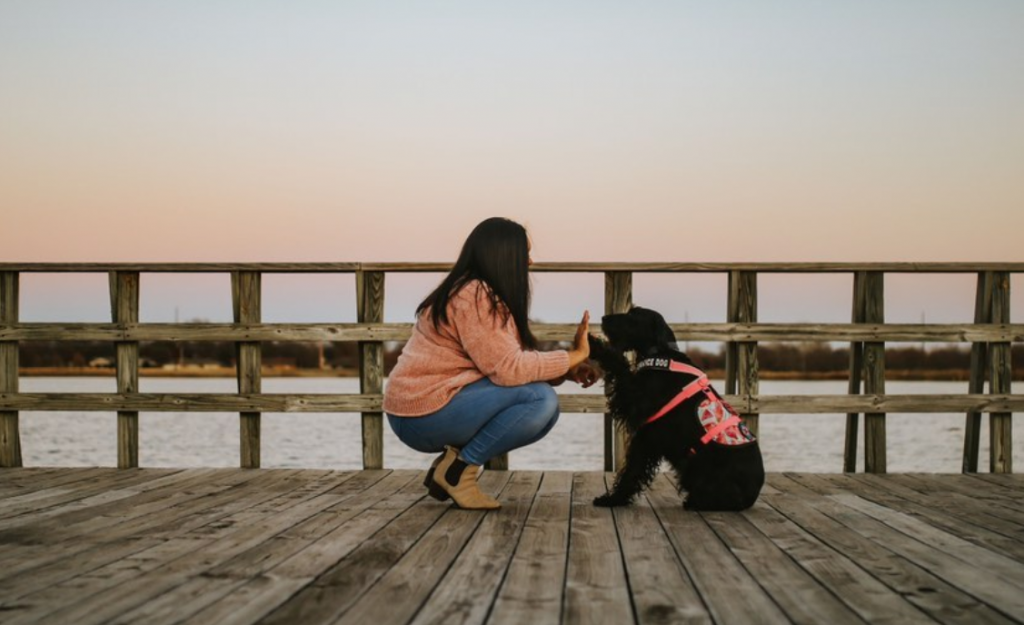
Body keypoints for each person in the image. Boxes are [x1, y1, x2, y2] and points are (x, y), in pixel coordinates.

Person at [383, 217, 597, 510]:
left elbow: (507, 365)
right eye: (525, 253)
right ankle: (459, 474)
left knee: (546, 412)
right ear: (503, 256)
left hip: (431, 406)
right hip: (421, 412)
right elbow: (509, 370)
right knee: (540, 400)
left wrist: (567, 372)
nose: (530, 262)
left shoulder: (476, 292)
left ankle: (452, 467)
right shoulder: (474, 295)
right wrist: (576, 354)